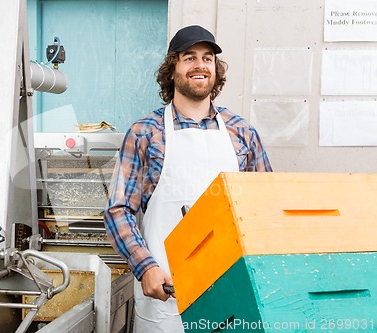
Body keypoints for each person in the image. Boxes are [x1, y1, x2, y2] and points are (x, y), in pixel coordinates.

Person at [104, 25, 272, 332]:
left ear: (215, 70)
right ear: (173, 69)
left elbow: (264, 208)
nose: (200, 65)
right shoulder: (145, 132)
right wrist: (146, 267)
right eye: (189, 57)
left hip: (231, 288)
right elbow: (118, 210)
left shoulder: (242, 132)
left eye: (208, 59)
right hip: (166, 290)